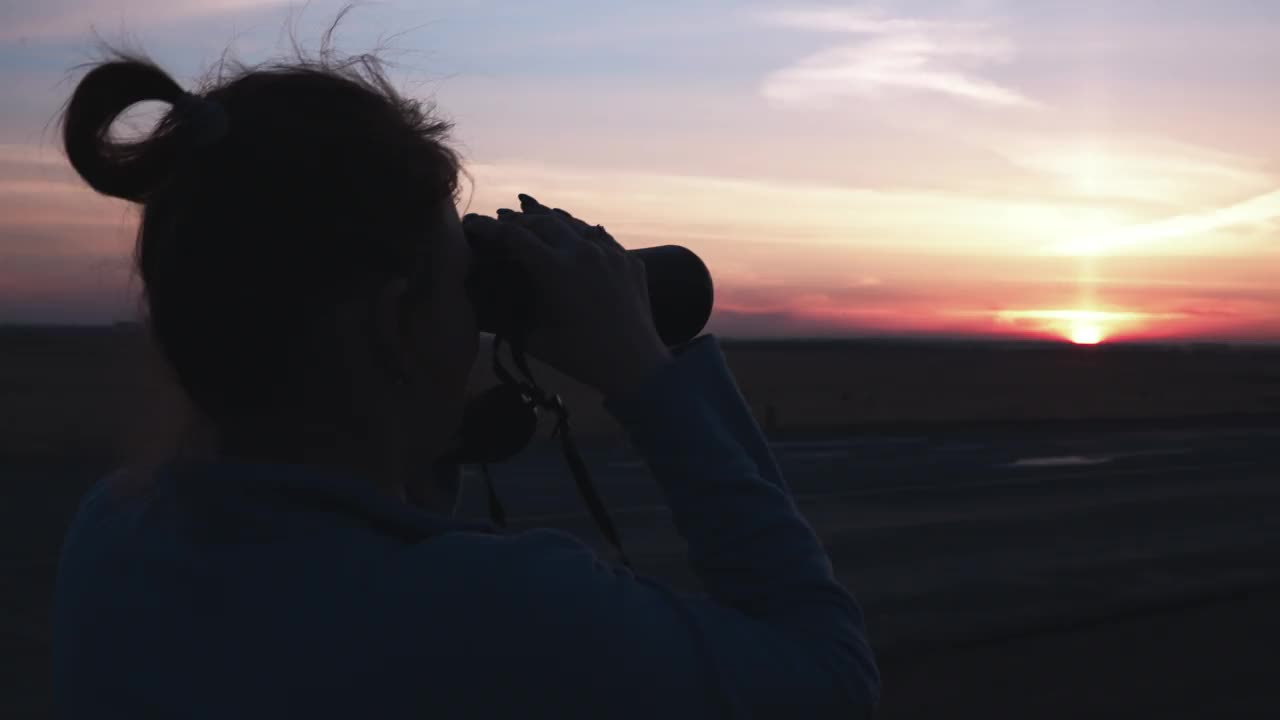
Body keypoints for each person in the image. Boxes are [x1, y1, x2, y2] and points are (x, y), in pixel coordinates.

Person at [51, 45, 879, 719]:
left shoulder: (118, 539)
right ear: (388, 324)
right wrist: (645, 377)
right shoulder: (507, 611)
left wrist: (422, 433)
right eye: (462, 284)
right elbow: (829, 677)